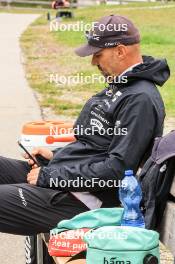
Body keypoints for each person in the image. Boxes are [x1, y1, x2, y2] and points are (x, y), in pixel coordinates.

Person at [0, 15, 170, 236]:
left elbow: (116, 171)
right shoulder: (122, 84)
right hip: (65, 180)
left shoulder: (140, 99)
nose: (93, 62)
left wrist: (49, 176)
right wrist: (54, 156)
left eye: (97, 55)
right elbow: (93, 145)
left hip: (81, 201)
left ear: (120, 51)